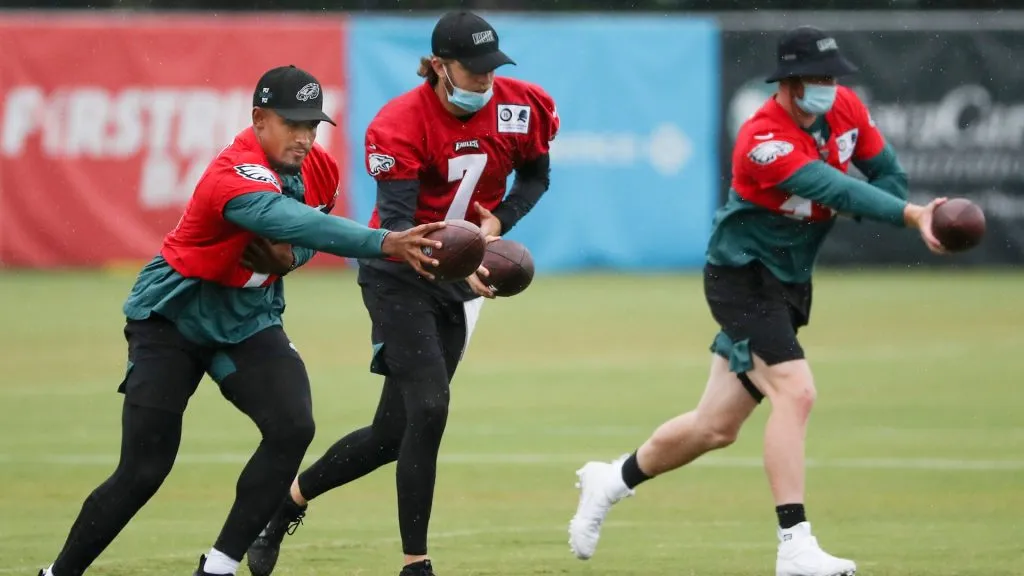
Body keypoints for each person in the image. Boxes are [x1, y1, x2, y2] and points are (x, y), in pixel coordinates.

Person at [566, 26, 947, 576]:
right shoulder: (762, 138)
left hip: (789, 281)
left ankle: (612, 478)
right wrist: (910, 215)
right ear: (788, 82)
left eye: (831, 76)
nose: (828, 86)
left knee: (714, 427)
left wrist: (892, 204)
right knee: (797, 391)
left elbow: (888, 175)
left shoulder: (845, 108)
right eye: (815, 78)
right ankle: (794, 544)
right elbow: (834, 188)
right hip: (742, 277)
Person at [37, 64, 444, 576]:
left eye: (312, 125)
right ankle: (58, 573)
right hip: (175, 317)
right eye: (292, 123)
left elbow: (304, 240)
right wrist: (384, 242)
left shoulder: (321, 169)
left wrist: (290, 258)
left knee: (292, 426)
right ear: (259, 119)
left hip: (249, 318)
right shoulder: (233, 170)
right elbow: (288, 219)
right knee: (143, 470)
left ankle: (218, 566)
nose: (304, 136)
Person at [245, 11, 559, 576]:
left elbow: (536, 176)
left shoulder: (521, 104)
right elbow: (397, 227)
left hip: (459, 279)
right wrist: (462, 267)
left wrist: (499, 223)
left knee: (393, 434)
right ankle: (416, 563)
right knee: (430, 408)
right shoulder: (399, 124)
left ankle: (286, 502)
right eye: (473, 68)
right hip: (399, 274)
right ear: (439, 65)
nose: (485, 79)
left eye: (491, 67)